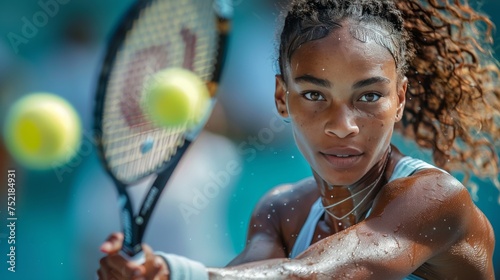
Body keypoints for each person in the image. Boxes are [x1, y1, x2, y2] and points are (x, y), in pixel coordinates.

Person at [97, 0, 500, 279]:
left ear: (400, 99)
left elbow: (313, 274)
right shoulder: (280, 211)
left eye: (370, 96)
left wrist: (176, 273)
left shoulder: (436, 200)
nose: (343, 125)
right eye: (314, 95)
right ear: (281, 98)